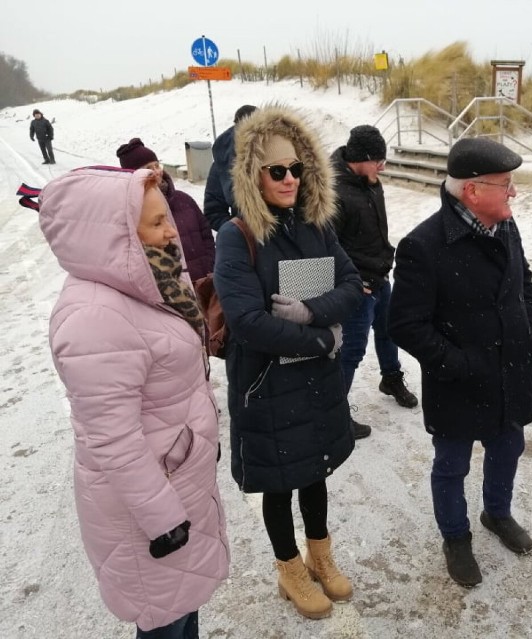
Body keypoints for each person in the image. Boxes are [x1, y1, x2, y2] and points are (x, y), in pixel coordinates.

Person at [39, 166, 230, 637]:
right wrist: (165, 521)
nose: (172, 231)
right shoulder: (93, 319)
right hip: (150, 514)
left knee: (185, 606)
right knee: (164, 617)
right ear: (115, 234)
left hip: (177, 483)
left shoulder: (150, 285)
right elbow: (112, 439)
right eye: (156, 222)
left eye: (167, 216)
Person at [213, 104, 363, 619]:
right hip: (268, 382)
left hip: (315, 382)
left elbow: (351, 284)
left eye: (297, 169)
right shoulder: (238, 237)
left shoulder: (317, 227)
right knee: (279, 480)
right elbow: (248, 321)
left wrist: (310, 311)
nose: (289, 179)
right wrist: (322, 340)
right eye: (277, 170)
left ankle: (321, 555)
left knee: (314, 470)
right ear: (255, 175)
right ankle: (290, 567)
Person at [388, 137, 532, 588]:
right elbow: (406, 325)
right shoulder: (423, 244)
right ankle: (456, 538)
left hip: (510, 371)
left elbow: (524, 283)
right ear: (473, 191)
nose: (512, 192)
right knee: (452, 465)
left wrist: (530, 328)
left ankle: (497, 513)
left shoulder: (506, 226)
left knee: (507, 448)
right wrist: (459, 364)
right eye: (505, 184)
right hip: (458, 381)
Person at [331, 124, 418, 440]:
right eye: (378, 160)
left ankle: (391, 378)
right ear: (360, 158)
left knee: (389, 331)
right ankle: (335, 413)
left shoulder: (371, 182)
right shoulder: (334, 191)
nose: (383, 166)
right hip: (358, 286)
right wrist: (350, 281)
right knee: (352, 350)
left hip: (380, 277)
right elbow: (329, 245)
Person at [117, 138, 216, 282]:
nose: (156, 171)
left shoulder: (184, 200)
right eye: (148, 168)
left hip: (206, 281)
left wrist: (210, 265)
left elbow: (206, 234)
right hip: (173, 289)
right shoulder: (133, 213)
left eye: (157, 165)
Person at [204, 104, 257, 230]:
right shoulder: (223, 162)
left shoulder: (279, 154)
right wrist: (239, 231)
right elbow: (213, 211)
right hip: (248, 245)